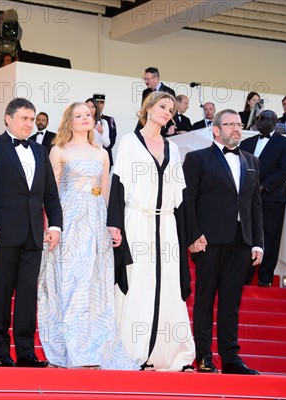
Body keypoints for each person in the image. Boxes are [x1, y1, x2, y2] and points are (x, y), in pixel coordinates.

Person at [37, 102, 136, 370]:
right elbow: (51, 192)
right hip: (69, 217)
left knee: (94, 282)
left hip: (95, 219)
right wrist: (51, 225)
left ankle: (93, 346)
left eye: (89, 115)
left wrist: (110, 225)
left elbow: (105, 192)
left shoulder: (101, 153)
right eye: (79, 115)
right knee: (71, 280)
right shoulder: (58, 150)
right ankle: (72, 347)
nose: (85, 118)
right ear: (69, 121)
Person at [108, 92, 196, 372]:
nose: (167, 112)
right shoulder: (129, 142)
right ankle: (134, 352)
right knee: (138, 283)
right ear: (148, 108)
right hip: (137, 221)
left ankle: (170, 355)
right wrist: (115, 224)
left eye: (171, 109)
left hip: (167, 225)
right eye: (162, 106)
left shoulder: (173, 148)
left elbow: (181, 197)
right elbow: (118, 185)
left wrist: (190, 234)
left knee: (167, 284)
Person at [0, 97, 63, 368]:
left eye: (31, 118)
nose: (29, 123)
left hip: (33, 235)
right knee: (1, 293)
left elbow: (50, 193)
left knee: (27, 294)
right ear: (8, 118)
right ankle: (1, 350)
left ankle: (25, 351)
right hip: (2, 233)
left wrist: (55, 225)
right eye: (24, 118)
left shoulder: (40, 151)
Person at [183, 109, 263, 375]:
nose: (237, 129)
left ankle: (230, 358)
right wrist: (193, 235)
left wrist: (258, 243)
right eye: (231, 125)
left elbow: (255, 206)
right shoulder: (197, 159)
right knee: (205, 299)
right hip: (208, 241)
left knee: (231, 302)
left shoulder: (252, 160)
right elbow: (188, 201)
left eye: (239, 125)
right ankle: (203, 357)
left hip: (241, 241)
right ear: (216, 129)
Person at [241, 110, 286, 287]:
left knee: (270, 237)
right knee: (246, 235)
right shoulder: (246, 143)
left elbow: (285, 169)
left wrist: (263, 186)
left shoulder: (285, 143)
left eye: (264, 119)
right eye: (258, 119)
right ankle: (244, 274)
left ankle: (265, 277)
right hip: (247, 198)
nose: (259, 121)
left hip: (272, 198)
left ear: (275, 122)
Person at [92, 94, 117, 166]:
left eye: (101, 103)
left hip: (105, 158)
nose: (99, 105)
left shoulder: (109, 120)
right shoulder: (86, 120)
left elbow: (111, 140)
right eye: (97, 103)